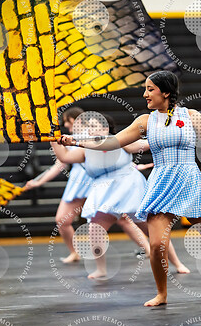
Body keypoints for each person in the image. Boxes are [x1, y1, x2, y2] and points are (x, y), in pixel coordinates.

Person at [58, 71, 201, 306]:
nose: (145, 94)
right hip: (161, 184)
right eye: (145, 89)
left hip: (190, 183)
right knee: (156, 245)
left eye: (150, 89)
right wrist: (76, 141)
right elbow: (113, 142)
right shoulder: (145, 121)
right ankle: (161, 294)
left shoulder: (191, 116)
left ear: (165, 92)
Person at [51, 112, 190, 279]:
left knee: (153, 230)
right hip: (104, 190)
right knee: (95, 228)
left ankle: (177, 263)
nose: (90, 130)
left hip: (129, 187)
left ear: (105, 129)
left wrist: (169, 135)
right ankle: (101, 269)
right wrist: (52, 138)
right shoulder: (85, 149)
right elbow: (64, 156)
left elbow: (147, 144)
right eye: (88, 127)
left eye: (94, 126)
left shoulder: (120, 141)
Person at [25, 107, 93, 263]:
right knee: (62, 219)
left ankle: (148, 247)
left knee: (122, 217)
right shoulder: (69, 140)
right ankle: (75, 253)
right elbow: (60, 164)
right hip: (79, 182)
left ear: (75, 120)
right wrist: (38, 182)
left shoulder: (92, 135)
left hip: (93, 180)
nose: (66, 126)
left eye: (67, 122)